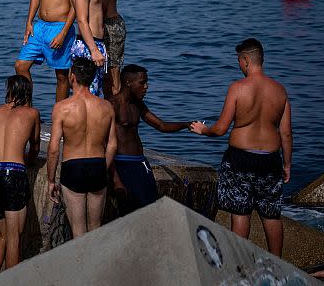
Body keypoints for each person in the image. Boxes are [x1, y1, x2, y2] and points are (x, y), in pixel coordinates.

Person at [190, 38, 292, 257]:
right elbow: (285, 133)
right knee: (272, 215)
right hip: (270, 160)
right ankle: (277, 266)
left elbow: (220, 129)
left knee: (240, 212)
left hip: (239, 160)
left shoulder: (237, 88)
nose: (239, 65)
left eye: (239, 60)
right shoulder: (280, 91)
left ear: (246, 60)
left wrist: (203, 130)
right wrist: (287, 164)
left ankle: (239, 264)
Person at [47, 58, 117, 238]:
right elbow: (112, 145)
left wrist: (51, 180)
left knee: (78, 231)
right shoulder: (106, 107)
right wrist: (103, 167)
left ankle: (81, 266)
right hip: (97, 166)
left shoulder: (61, 108)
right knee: (96, 228)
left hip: (73, 167)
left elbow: (54, 148)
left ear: (72, 77)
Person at [108, 64, 192, 214]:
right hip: (122, 164)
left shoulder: (137, 104)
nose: (146, 87)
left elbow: (161, 125)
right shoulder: (112, 105)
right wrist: (115, 179)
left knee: (151, 209)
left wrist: (186, 124)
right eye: (142, 83)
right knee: (129, 211)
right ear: (128, 82)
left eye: (146, 82)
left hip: (141, 163)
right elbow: (103, 144)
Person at [0, 75, 41, 275]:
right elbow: (34, 148)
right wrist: (28, 160)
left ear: (9, 91)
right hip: (14, 174)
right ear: (27, 92)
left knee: (3, 236)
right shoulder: (32, 113)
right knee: (14, 237)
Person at [70, 0, 116, 97]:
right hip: (87, 45)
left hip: (95, 43)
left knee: (95, 95)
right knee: (85, 97)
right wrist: (94, 50)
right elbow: (81, 20)